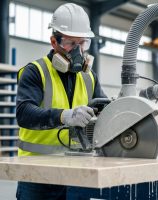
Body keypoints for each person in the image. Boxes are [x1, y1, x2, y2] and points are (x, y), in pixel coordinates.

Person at [16, 3, 107, 200]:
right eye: (70, 43)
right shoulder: (35, 71)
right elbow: (24, 114)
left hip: (76, 173)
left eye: (82, 43)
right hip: (36, 174)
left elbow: (104, 110)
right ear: (53, 41)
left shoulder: (89, 77)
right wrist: (65, 116)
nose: (78, 51)